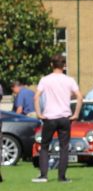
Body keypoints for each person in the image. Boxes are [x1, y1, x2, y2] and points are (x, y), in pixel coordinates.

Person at [33, 54, 81, 183]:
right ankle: (62, 177)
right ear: (64, 66)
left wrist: (39, 113)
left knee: (44, 146)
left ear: (51, 65)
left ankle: (43, 175)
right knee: (64, 147)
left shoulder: (45, 80)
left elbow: (36, 97)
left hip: (50, 117)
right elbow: (79, 96)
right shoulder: (69, 80)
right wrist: (75, 113)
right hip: (65, 117)